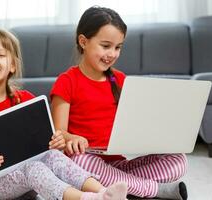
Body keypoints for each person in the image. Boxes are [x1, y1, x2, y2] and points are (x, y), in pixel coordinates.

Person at [0, 29, 128, 200]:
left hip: (25, 181)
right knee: (33, 167)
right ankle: (86, 198)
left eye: (0, 55)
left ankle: (104, 192)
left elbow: (45, 144)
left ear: (12, 65)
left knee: (53, 155)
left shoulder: (26, 99)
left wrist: (57, 143)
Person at [50, 6, 188, 200]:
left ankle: (120, 188)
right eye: (106, 46)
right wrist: (71, 137)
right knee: (81, 162)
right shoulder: (67, 81)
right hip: (87, 163)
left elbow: (135, 122)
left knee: (178, 160)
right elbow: (58, 134)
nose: (112, 54)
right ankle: (155, 190)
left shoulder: (120, 80)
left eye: (118, 47)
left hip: (117, 165)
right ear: (83, 42)